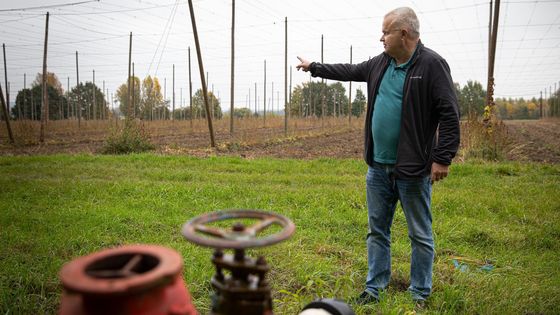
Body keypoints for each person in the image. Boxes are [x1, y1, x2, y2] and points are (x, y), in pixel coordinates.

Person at [296, 7, 460, 305]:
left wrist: (443, 157)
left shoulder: (432, 65)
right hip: (378, 168)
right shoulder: (381, 63)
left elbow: (450, 114)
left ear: (404, 34)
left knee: (420, 234)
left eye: (385, 32)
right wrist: (314, 67)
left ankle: (419, 293)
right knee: (377, 232)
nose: (381, 38)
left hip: (412, 169)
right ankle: (374, 289)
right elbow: (349, 71)